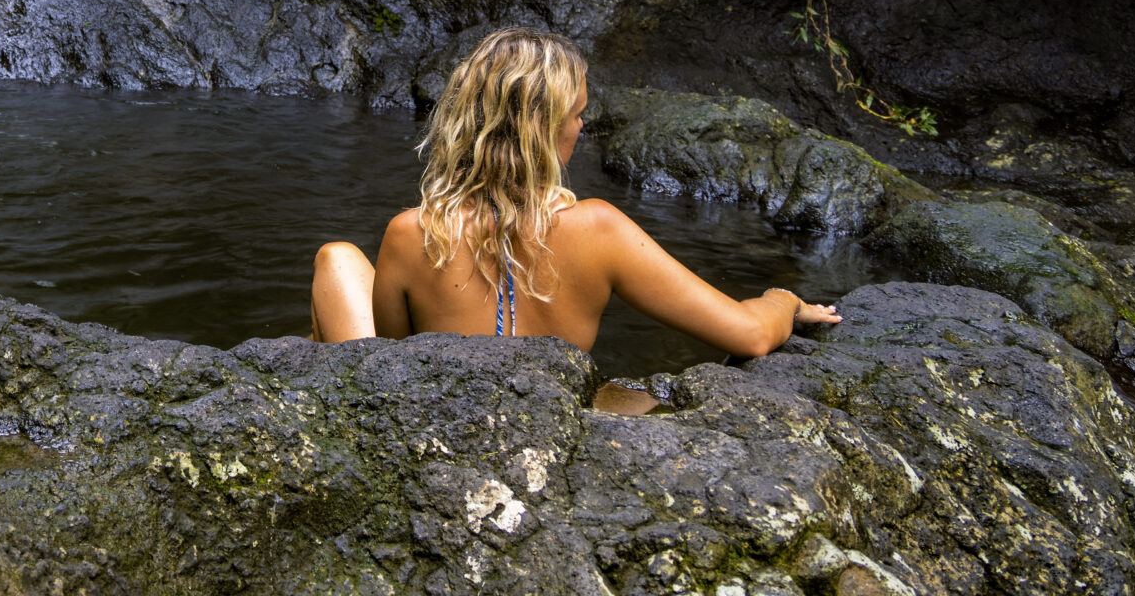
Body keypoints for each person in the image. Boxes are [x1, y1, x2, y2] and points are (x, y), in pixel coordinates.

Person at [310, 27, 840, 354]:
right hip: (550, 430)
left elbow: (392, 372)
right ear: (543, 130)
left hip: (446, 425)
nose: (581, 128)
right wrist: (781, 300)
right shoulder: (598, 228)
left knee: (336, 260)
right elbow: (750, 334)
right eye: (578, 114)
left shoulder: (411, 233)